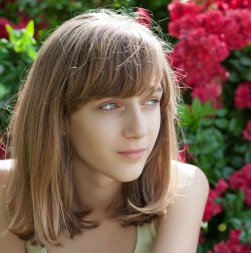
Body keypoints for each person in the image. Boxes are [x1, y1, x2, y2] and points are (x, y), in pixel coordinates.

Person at [0, 9, 209, 253]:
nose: (138, 130)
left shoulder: (181, 188)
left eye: (151, 101)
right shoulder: (7, 189)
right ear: (59, 117)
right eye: (110, 106)